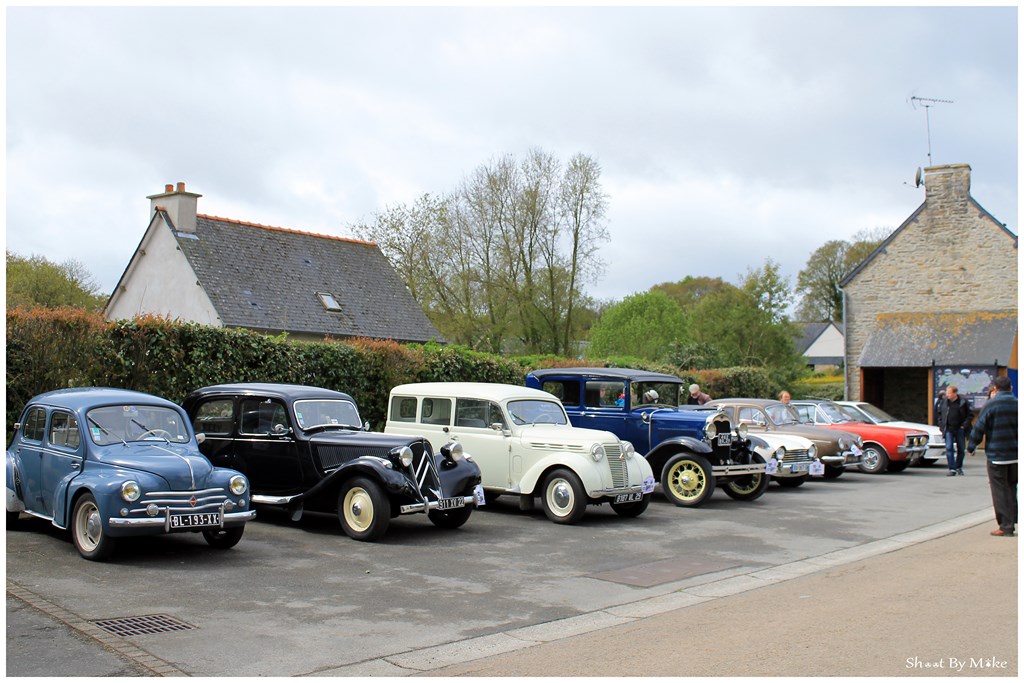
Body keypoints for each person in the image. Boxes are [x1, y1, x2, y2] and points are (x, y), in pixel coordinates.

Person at [967, 376, 1017, 537]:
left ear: (995, 389)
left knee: (999, 490)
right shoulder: (1018, 404)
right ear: (1011, 388)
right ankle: (1013, 518)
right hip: (1016, 455)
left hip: (997, 455)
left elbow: (979, 427)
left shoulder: (991, 405)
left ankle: (1006, 526)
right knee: (1011, 487)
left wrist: (971, 445)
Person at [936, 384, 973, 476]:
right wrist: (941, 426)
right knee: (949, 448)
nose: (947, 395)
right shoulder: (944, 402)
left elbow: (970, 415)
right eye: (947, 393)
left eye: (949, 393)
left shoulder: (963, 402)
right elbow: (939, 414)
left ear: (955, 393)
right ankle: (952, 468)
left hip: (960, 428)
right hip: (948, 428)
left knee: (961, 449)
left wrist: (964, 425)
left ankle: (958, 467)